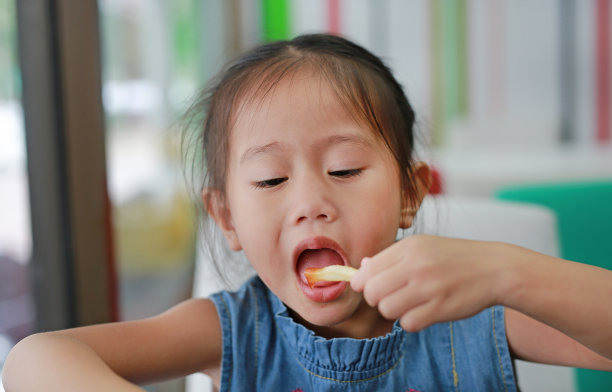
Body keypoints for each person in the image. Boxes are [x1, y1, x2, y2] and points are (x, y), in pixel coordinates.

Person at [3, 33, 612, 392]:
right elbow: (33, 361)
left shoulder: (478, 321)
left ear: (409, 193)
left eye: (344, 170)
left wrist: (505, 273)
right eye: (270, 179)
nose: (311, 204)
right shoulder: (232, 331)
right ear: (228, 219)